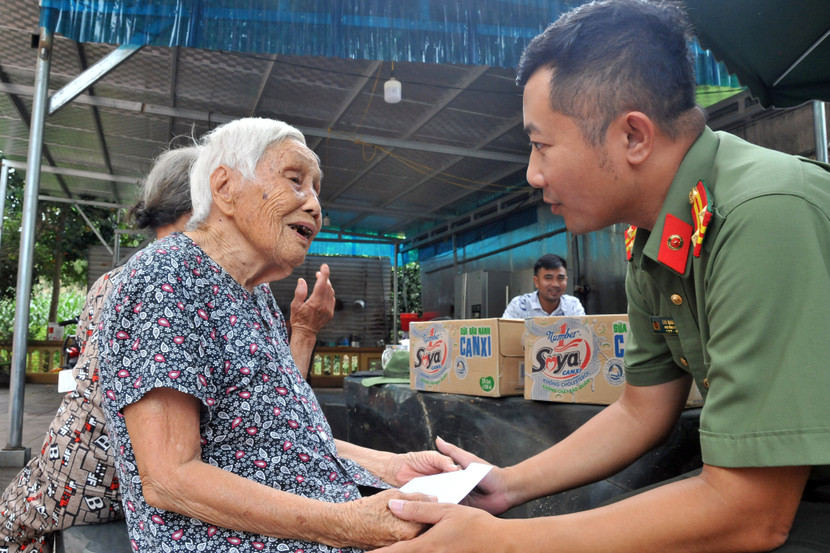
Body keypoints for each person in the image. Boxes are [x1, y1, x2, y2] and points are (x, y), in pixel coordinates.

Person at [376, 1, 830, 552]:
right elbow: (642, 407)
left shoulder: (762, 214)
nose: (532, 173)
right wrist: (506, 484)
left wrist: (502, 544)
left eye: (541, 144)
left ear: (633, 136)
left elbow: (753, 512)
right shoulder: (659, 237)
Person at [97, 117, 455, 553]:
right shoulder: (165, 276)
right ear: (225, 188)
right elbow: (169, 478)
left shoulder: (255, 293)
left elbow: (283, 436)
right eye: (295, 180)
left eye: (317, 189)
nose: (315, 206)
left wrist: (393, 468)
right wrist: (343, 523)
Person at [0, 144, 336, 553]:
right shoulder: (160, 281)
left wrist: (301, 332)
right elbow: (169, 470)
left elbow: (271, 415)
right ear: (213, 199)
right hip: (77, 496)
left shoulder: (237, 288)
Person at [502, 253, 585, 318]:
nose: (555, 284)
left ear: (566, 280)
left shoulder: (573, 305)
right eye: (548, 278)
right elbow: (504, 336)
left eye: (560, 278)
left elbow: (584, 334)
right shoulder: (519, 305)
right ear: (536, 281)